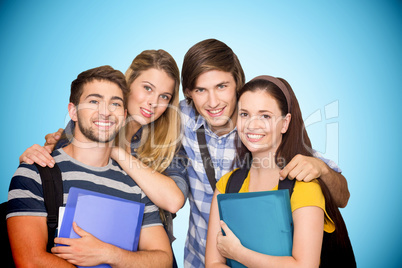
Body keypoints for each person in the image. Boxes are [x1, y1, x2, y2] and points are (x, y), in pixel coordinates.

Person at [180, 39, 350, 267]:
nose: (213, 101)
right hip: (196, 256)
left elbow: (342, 196)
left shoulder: (301, 178)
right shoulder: (179, 118)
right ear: (190, 93)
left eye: (221, 86)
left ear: (237, 84)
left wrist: (322, 170)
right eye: (201, 90)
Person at [18, 49, 188, 267]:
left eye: (164, 96)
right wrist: (34, 156)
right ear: (129, 85)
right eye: (147, 88)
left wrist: (115, 151)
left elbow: (173, 201)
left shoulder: (169, 143)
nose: (153, 102)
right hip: (78, 249)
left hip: (143, 253)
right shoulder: (91, 122)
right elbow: (52, 174)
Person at [205, 75, 346, 267]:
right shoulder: (228, 184)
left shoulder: (304, 185)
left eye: (265, 116)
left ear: (285, 123)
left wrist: (239, 253)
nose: (252, 125)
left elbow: (305, 265)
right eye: (244, 114)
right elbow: (213, 263)